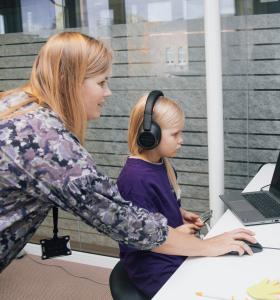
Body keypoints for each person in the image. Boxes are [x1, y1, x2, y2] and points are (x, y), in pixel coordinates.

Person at [0, 32, 255, 275]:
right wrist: (209, 246)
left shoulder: (18, 105)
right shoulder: (49, 144)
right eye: (101, 82)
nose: (107, 92)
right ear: (69, 82)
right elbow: (126, 222)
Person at [117, 92, 256, 298]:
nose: (181, 140)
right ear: (150, 134)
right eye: (175, 134)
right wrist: (185, 236)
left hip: (173, 250)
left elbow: (152, 208)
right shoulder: (134, 179)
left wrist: (179, 213)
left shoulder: (160, 164)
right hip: (154, 267)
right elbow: (145, 238)